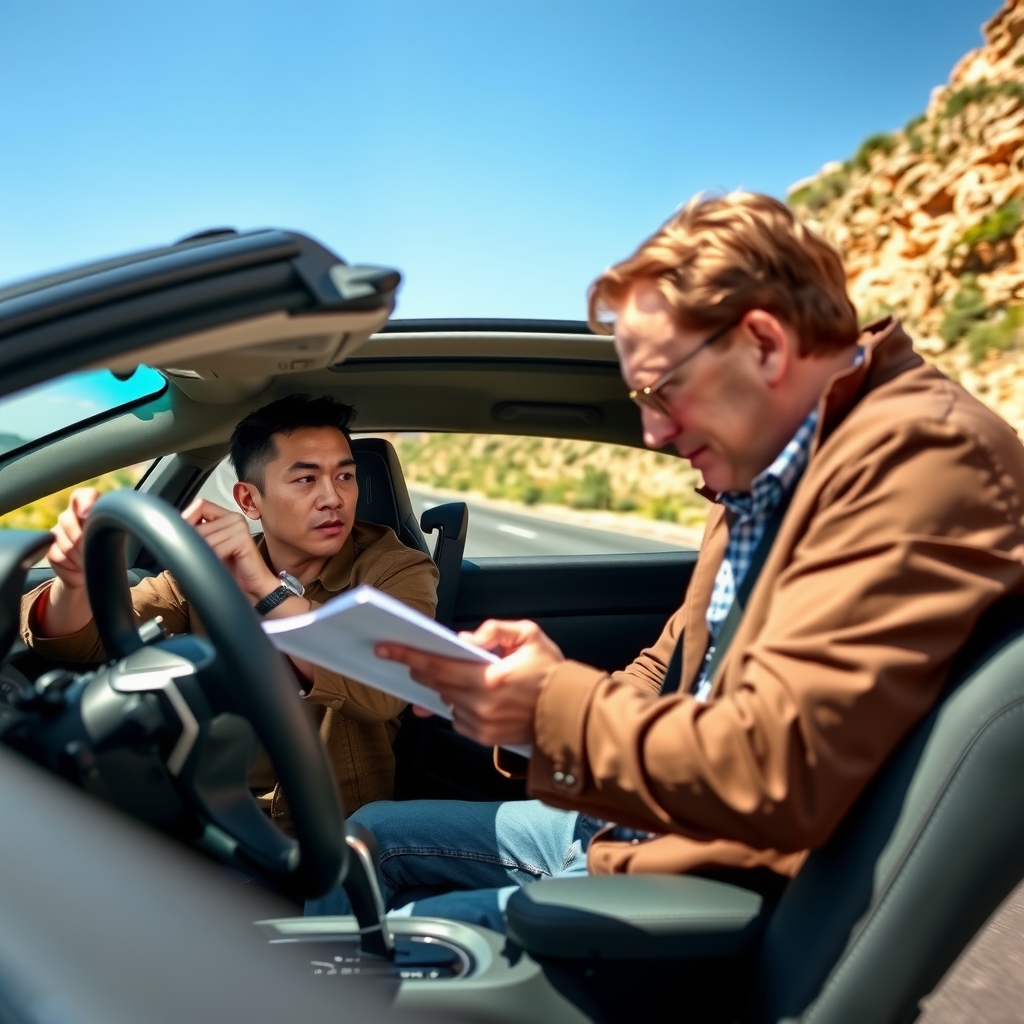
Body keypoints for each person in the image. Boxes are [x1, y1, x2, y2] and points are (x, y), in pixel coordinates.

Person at [306, 192, 1024, 931]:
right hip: (637, 825)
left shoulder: (918, 460)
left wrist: (552, 705)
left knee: (358, 954)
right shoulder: (765, 471)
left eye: (660, 389)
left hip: (697, 881)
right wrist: (520, 703)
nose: (651, 431)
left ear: (766, 345)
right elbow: (676, 665)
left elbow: (776, 770)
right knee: (369, 837)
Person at [20, 394, 438, 820]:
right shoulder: (208, 569)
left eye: (345, 476)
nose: (333, 497)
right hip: (210, 813)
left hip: (327, 830)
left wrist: (264, 588)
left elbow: (386, 682)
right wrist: (75, 583)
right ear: (249, 500)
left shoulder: (397, 568)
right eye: (306, 480)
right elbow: (81, 642)